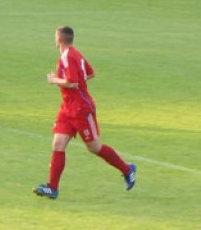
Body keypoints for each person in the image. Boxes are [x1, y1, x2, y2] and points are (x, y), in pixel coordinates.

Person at [33, 25, 137, 200]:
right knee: (58, 144)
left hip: (81, 109)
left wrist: (54, 80)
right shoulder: (76, 54)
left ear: (59, 39)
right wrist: (75, 81)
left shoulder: (67, 57)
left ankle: (127, 169)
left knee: (94, 147)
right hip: (67, 108)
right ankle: (52, 187)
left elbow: (73, 83)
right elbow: (90, 73)